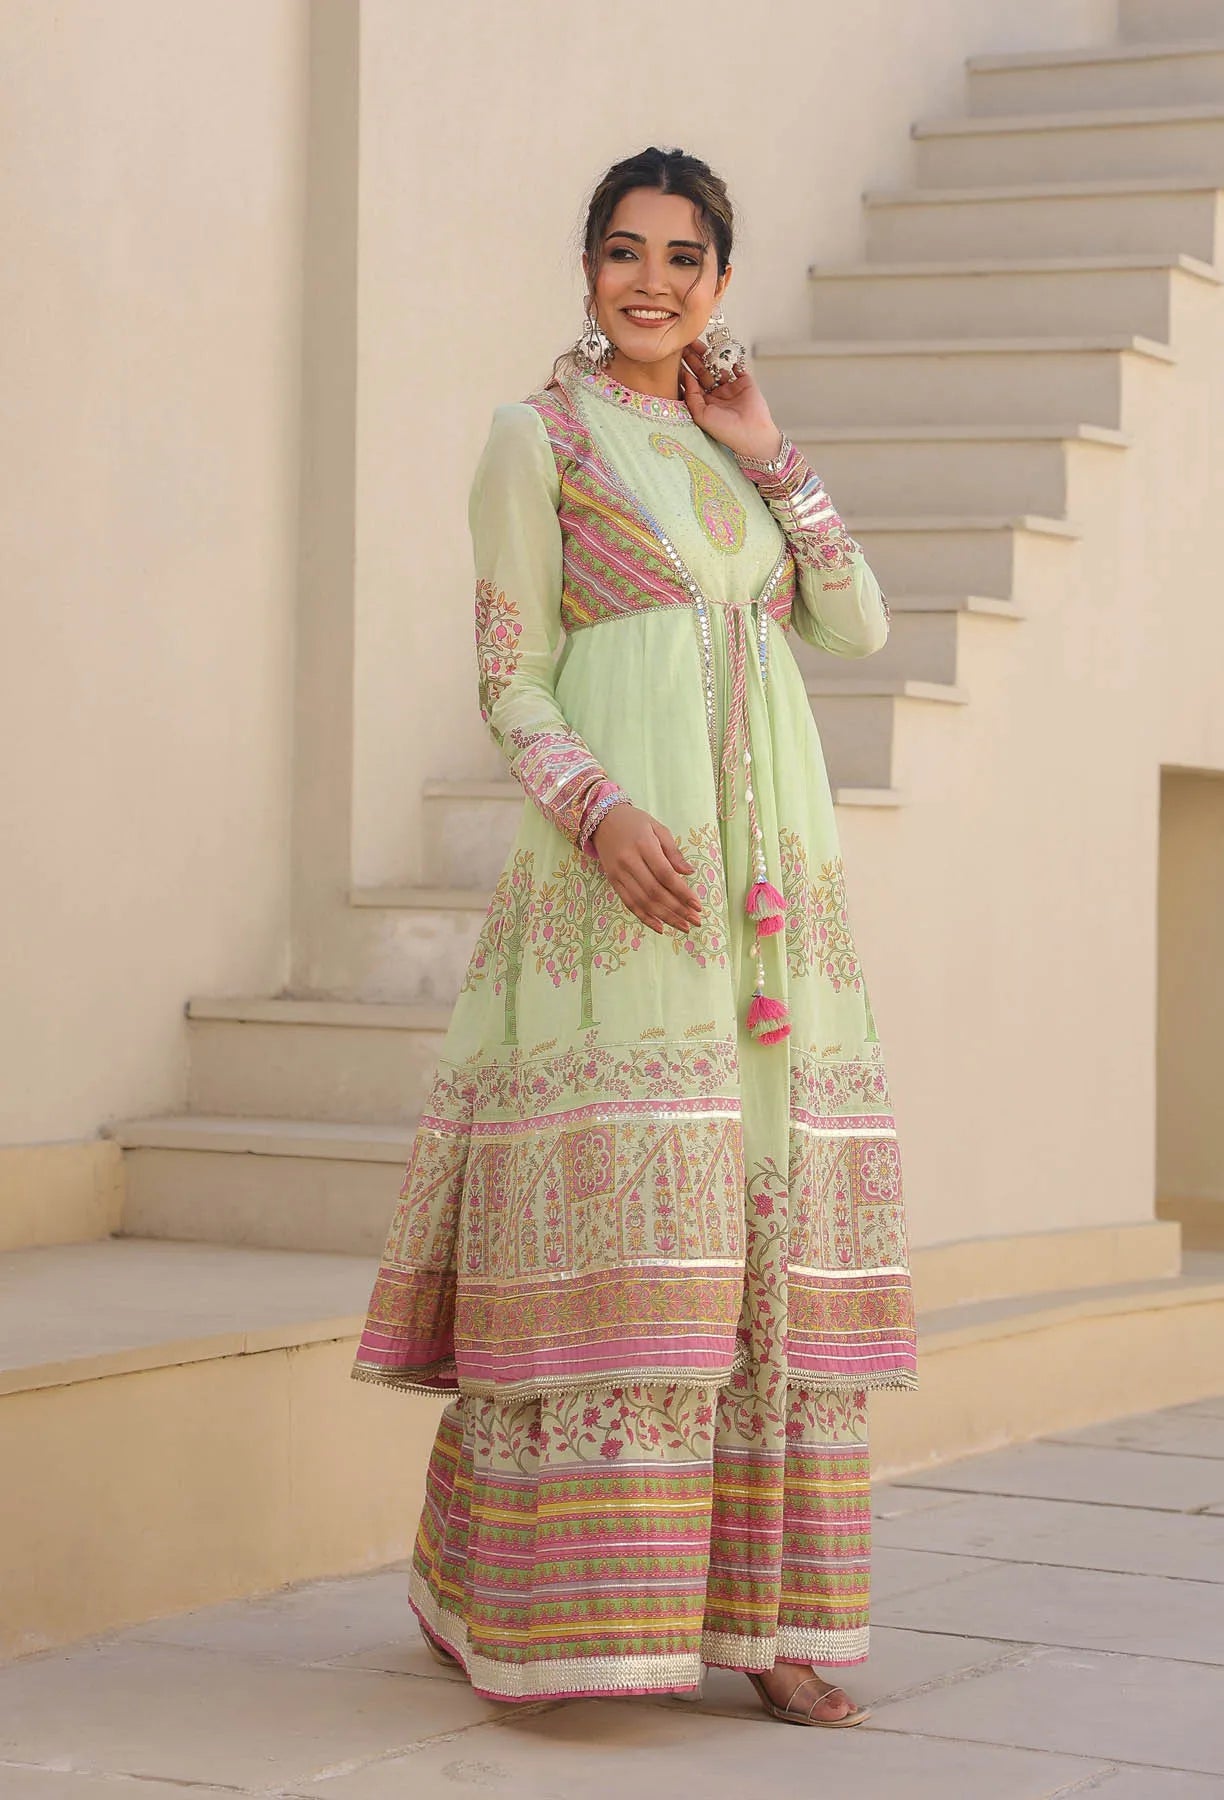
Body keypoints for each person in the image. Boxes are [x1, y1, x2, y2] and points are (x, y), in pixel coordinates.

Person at [352, 146, 917, 1729]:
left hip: (772, 904)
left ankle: (773, 1621)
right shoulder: (529, 438)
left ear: (721, 283)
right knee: (621, 1237)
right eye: (623, 252)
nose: (651, 281)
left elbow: (855, 624)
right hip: (622, 885)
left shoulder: (740, 452)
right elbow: (508, 677)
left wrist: (772, 448)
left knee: (758, 1236)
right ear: (586, 269)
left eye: (683, 257)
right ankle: (542, 1604)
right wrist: (598, 812)